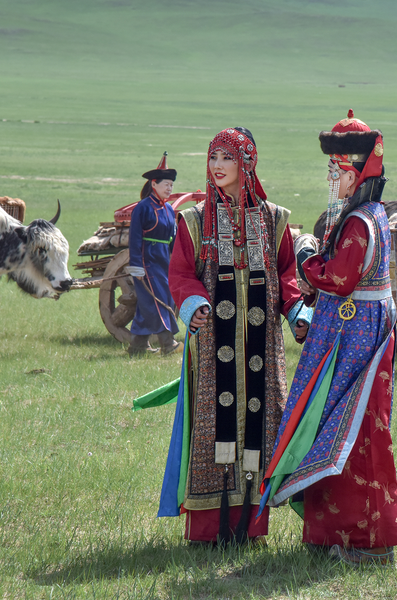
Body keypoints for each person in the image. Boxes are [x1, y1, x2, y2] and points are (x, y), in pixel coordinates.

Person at [261, 110, 397, 566]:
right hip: (364, 331)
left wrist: (305, 259)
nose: (332, 177)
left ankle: (363, 541)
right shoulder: (371, 213)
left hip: (355, 336)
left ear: (358, 171)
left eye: (338, 169)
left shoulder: (359, 223)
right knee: (352, 429)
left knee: (349, 433)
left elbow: (340, 279)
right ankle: (339, 536)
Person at [158, 127, 311, 544]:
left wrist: (297, 310)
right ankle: (209, 531)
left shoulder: (275, 219)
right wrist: (195, 304)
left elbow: (286, 275)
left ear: (247, 163)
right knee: (213, 429)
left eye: (228, 158)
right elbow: (181, 274)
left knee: (260, 430)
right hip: (212, 348)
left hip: (263, 348)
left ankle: (252, 527)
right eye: (213, 158)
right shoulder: (192, 221)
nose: (218, 166)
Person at [126, 152, 181, 356]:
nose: (169, 188)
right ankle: (168, 342)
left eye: (171, 185)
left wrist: (177, 261)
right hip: (147, 260)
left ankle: (137, 346)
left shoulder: (168, 209)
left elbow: (173, 239)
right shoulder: (142, 208)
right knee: (157, 298)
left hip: (163, 259)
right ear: (154, 184)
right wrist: (136, 266)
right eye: (166, 184)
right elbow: (135, 239)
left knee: (149, 301)